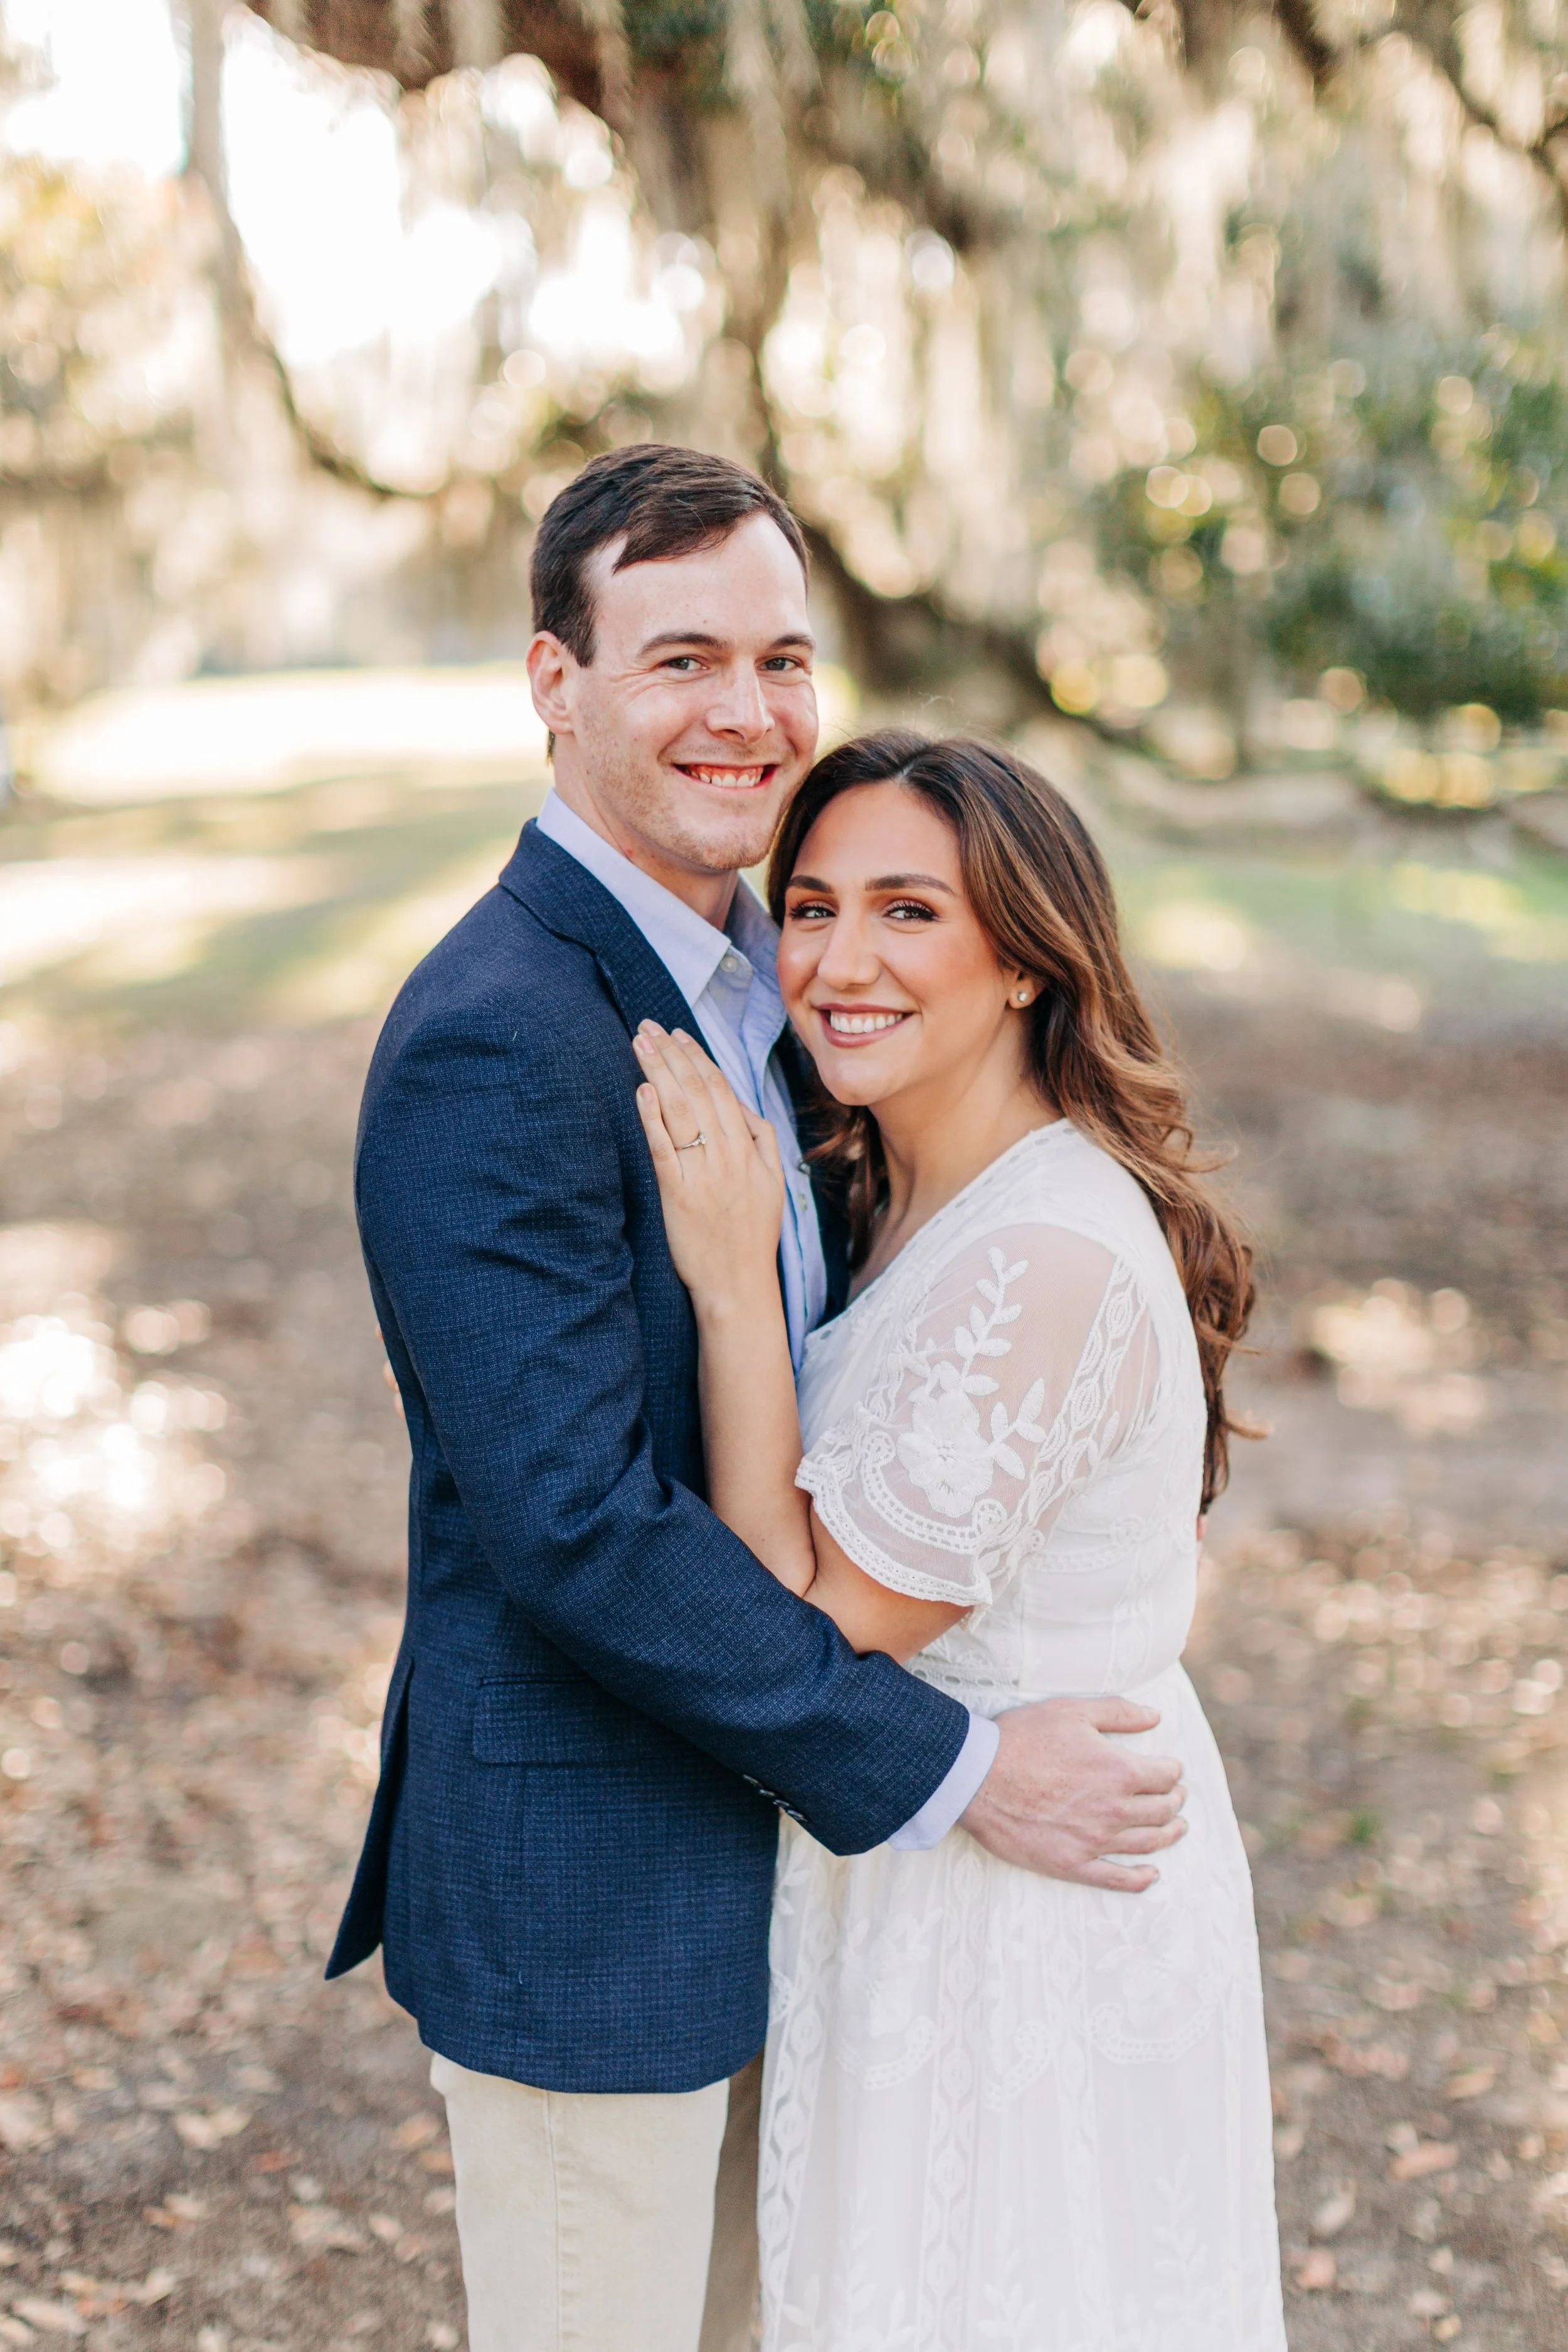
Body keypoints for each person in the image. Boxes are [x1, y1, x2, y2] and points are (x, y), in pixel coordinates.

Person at [326, 446, 1190, 2352]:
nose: (748, 710)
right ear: (554, 682)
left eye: (782, 657)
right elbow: (575, 1531)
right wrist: (957, 1769)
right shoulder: (497, 1033)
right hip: (601, 1908)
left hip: (809, 1908)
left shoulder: (773, 989)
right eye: (682, 659)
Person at [633, 730, 1285, 2350]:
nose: (838, 961)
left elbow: (805, 1624)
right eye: (810, 906)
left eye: (908, 911)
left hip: (1027, 1906)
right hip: (937, 1864)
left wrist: (731, 1289)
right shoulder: (907, 1191)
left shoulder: (1041, 1253)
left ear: (1024, 960)